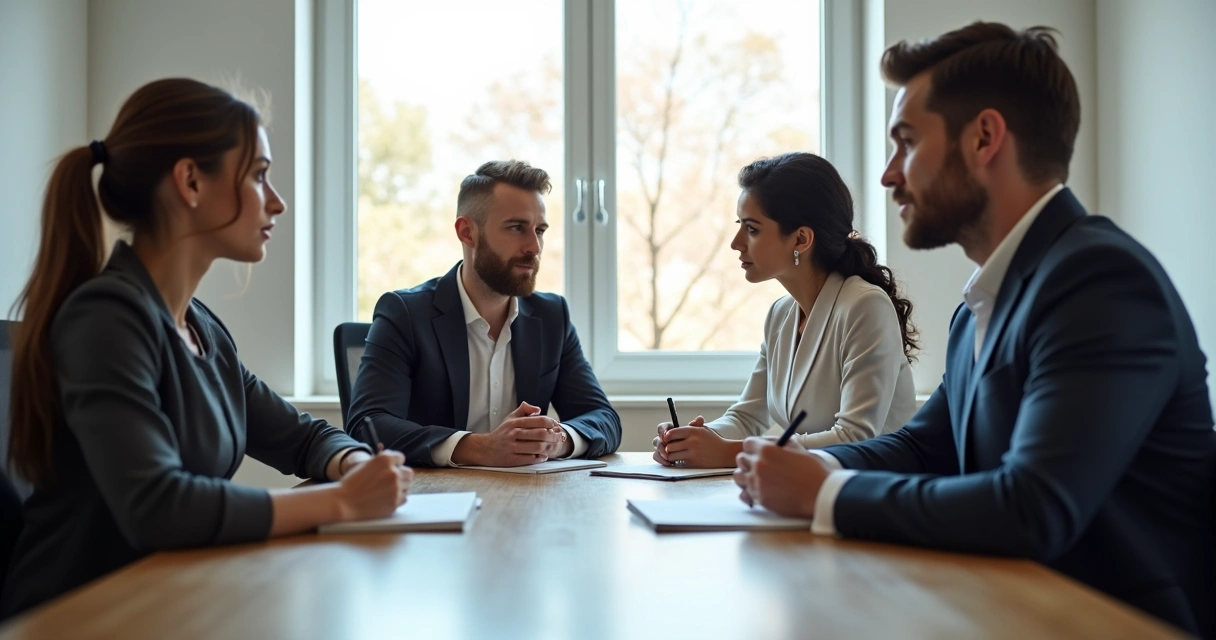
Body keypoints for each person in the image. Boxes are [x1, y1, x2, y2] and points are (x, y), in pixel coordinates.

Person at [732, 22, 1215, 637]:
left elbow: (1031, 508)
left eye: (906, 142)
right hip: (1004, 608)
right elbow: (922, 447)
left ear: (985, 138)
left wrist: (824, 494)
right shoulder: (983, 302)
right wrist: (801, 462)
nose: (888, 175)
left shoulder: (1099, 279)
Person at [1, 78, 413, 617]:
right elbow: (159, 505)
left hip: (168, 600)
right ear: (190, 181)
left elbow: (301, 436)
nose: (278, 202)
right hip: (80, 615)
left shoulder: (201, 330)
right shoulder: (104, 319)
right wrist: (339, 501)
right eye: (260, 176)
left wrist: (354, 462)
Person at [652, 153, 918, 468]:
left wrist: (728, 452)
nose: (736, 243)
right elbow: (747, 417)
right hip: (806, 492)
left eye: (751, 229)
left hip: (872, 497)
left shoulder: (865, 306)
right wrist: (693, 440)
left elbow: (855, 437)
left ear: (801, 239)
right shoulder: (780, 314)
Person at [348, 160, 621, 467]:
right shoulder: (405, 313)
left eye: (539, 230)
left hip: (524, 501)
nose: (534, 246)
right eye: (517, 228)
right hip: (431, 499)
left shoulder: (551, 316)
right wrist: (481, 448)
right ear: (467, 232)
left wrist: (557, 440)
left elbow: (604, 419)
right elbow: (366, 426)